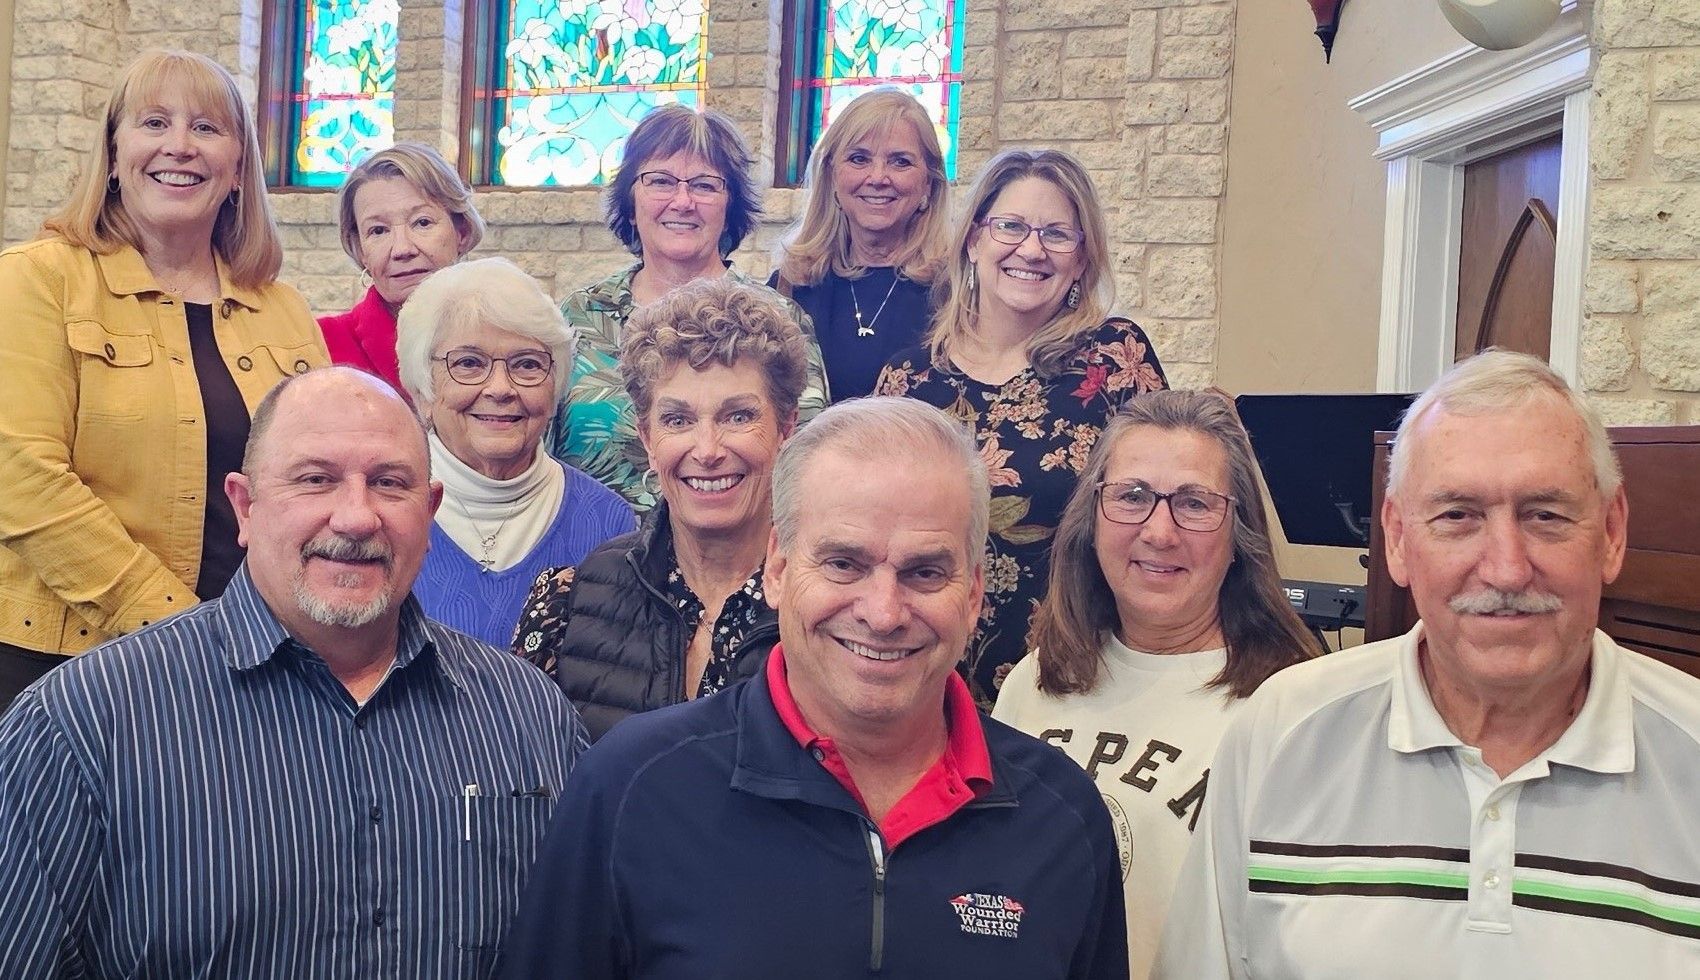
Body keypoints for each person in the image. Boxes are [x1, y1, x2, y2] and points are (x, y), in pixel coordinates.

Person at [501, 397, 1128, 979]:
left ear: (973, 595)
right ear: (776, 570)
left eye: (925, 571)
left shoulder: (1062, 820)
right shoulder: (631, 790)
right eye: (843, 563)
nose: (884, 612)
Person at [0, 367, 586, 979]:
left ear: (430, 511)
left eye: (389, 483)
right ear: (244, 506)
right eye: (316, 480)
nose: (356, 518)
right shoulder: (79, 729)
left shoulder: (528, 718)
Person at [1154, 351, 1700, 979]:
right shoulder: (1280, 733)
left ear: (1610, 532)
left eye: (1545, 515)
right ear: (1398, 538)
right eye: (1457, 517)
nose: (1505, 568)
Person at [0, 49, 326, 710]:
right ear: (114, 155)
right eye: (154, 122)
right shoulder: (38, 279)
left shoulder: (283, 309)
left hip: (249, 662)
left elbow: (316, 479)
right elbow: (21, 478)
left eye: (206, 128)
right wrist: (175, 625)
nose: (179, 146)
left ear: (238, 168)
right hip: (65, 661)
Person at [993, 390, 1318, 979]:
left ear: (1238, 533)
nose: (1159, 531)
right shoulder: (1034, 684)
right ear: (1092, 518)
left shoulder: (1290, 708)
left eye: (1194, 503)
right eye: (1133, 497)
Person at [876, 148, 1168, 708]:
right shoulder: (906, 380)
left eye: (1058, 235)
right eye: (1010, 226)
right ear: (974, 239)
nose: (1031, 250)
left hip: (1072, 676)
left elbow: (1158, 506)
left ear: (1082, 260)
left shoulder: (1115, 359)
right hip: (920, 675)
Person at [512, 275, 807, 741]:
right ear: (649, 439)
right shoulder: (568, 604)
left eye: (738, 416)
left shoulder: (835, 600)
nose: (707, 449)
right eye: (678, 420)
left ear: (786, 428)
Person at [550, 103, 828, 510]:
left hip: (744, 558)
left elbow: (810, 460)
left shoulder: (778, 320)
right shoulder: (574, 319)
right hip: (593, 558)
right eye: (660, 181)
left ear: (730, 206)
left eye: (704, 185)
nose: (682, 201)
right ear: (630, 201)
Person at [394, 257, 634, 648]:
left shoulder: (609, 523)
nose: (501, 388)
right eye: (469, 364)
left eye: (527, 365)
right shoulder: (382, 514)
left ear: (554, 388)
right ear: (423, 389)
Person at [769, 87, 950, 400]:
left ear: (929, 185)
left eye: (900, 162)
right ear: (832, 176)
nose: (878, 177)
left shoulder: (957, 290)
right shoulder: (789, 288)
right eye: (858, 158)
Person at [318, 142, 485, 393]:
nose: (401, 249)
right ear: (360, 248)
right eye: (378, 230)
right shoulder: (322, 345)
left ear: (461, 231)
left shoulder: (509, 335)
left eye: (422, 222)